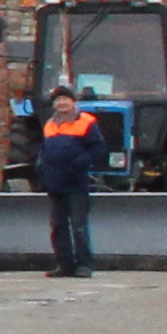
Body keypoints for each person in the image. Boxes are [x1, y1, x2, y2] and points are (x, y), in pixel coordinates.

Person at [35, 68, 112, 277]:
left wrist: (79, 164)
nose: (62, 104)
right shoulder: (50, 125)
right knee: (58, 226)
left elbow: (98, 149)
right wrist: (41, 170)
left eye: (65, 100)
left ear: (73, 102)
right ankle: (64, 264)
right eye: (58, 100)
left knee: (78, 226)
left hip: (76, 182)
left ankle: (84, 264)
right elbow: (45, 151)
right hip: (54, 183)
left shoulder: (86, 121)